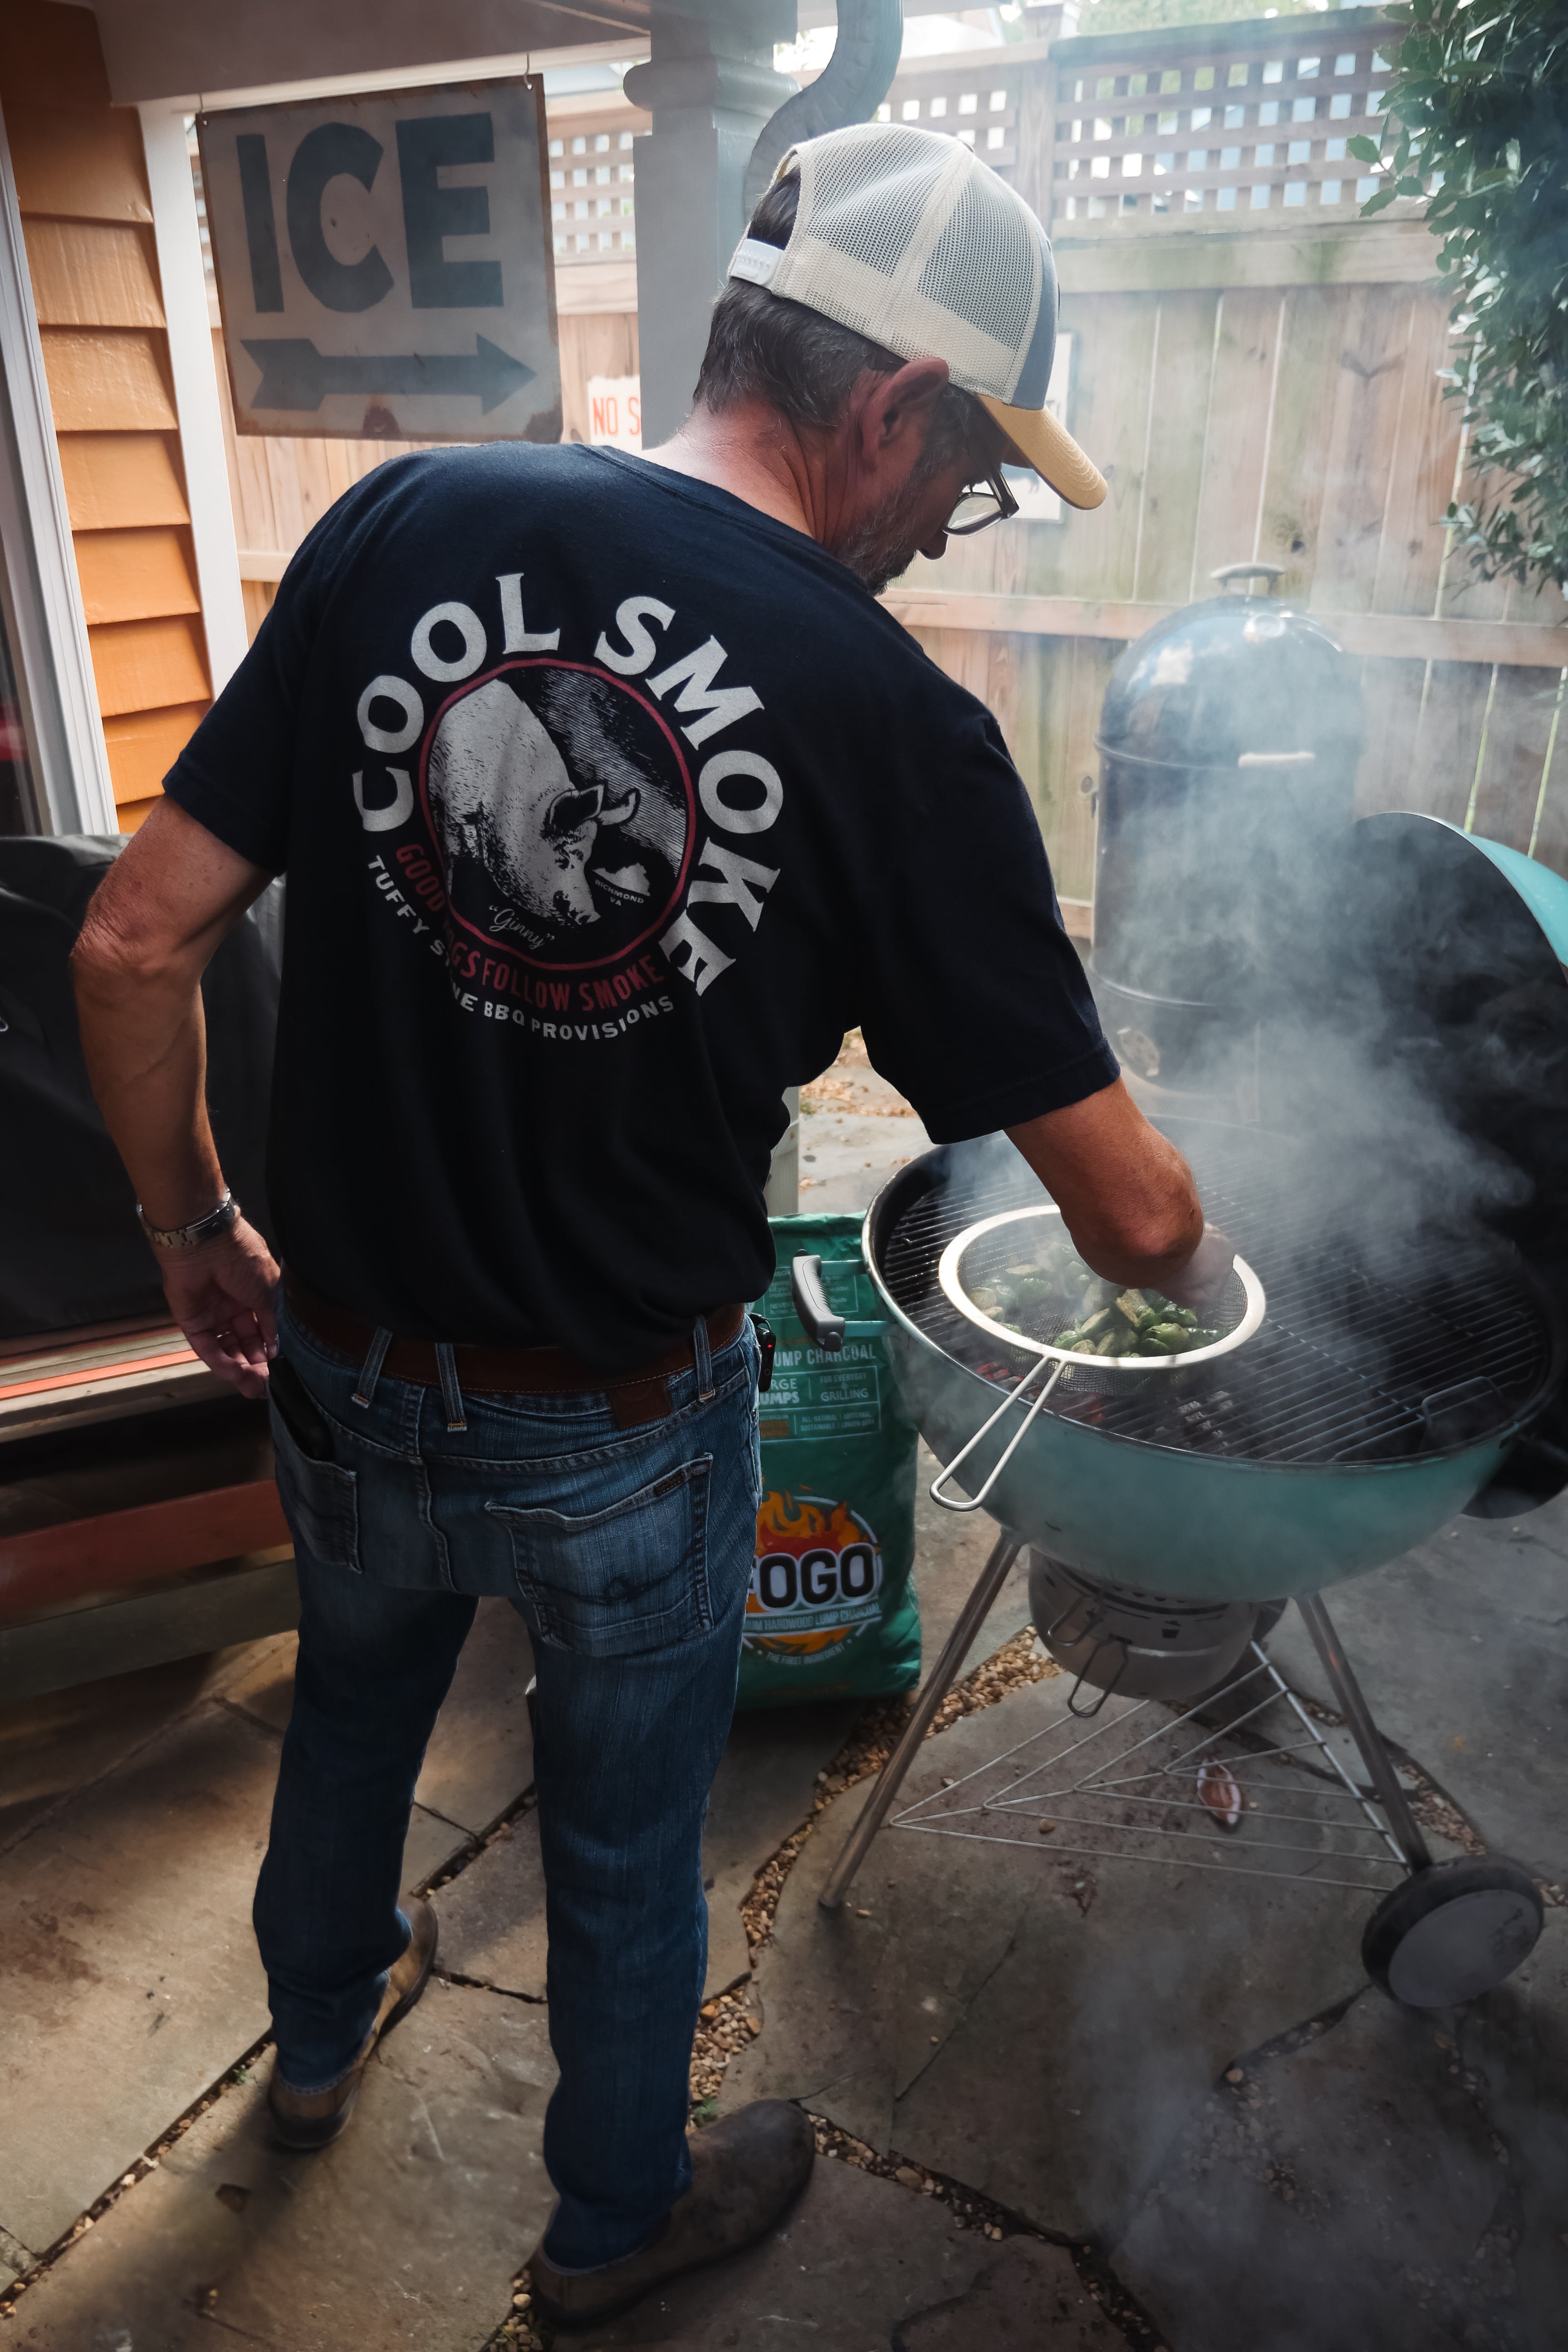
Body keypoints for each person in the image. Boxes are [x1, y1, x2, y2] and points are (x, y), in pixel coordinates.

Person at [71, 122, 1230, 2329]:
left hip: (345, 1362)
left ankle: (312, 2041)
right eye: (969, 475)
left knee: (354, 1707)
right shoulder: (893, 724)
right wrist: (1222, 1260)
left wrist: (192, 1225)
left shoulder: (406, 520)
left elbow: (132, 944)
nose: (946, 526)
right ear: (893, 405)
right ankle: (614, 2222)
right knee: (615, 1840)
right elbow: (1139, 1218)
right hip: (618, 1424)